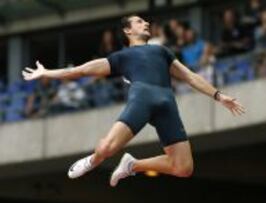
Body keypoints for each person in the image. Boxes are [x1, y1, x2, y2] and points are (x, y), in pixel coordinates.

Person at [22, 15, 246, 187]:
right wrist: (47, 73)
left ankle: (132, 165)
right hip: (143, 98)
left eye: (145, 20)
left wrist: (218, 95)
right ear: (128, 31)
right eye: (139, 22)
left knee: (184, 167)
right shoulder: (121, 57)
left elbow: (189, 76)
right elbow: (81, 71)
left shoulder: (161, 51)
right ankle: (93, 160)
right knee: (108, 148)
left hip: (167, 104)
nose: (146, 23)